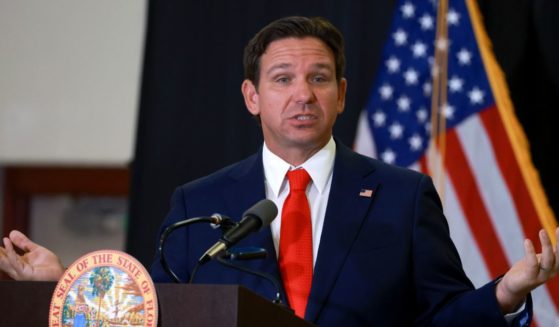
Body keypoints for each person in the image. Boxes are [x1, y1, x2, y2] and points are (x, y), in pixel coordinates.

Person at [1, 16, 558, 326]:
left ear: (341, 96)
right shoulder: (199, 202)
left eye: (319, 79)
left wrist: (506, 292)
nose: (303, 94)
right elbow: (155, 314)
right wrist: (62, 285)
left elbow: (443, 319)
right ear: (252, 96)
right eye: (283, 78)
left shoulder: (402, 195)